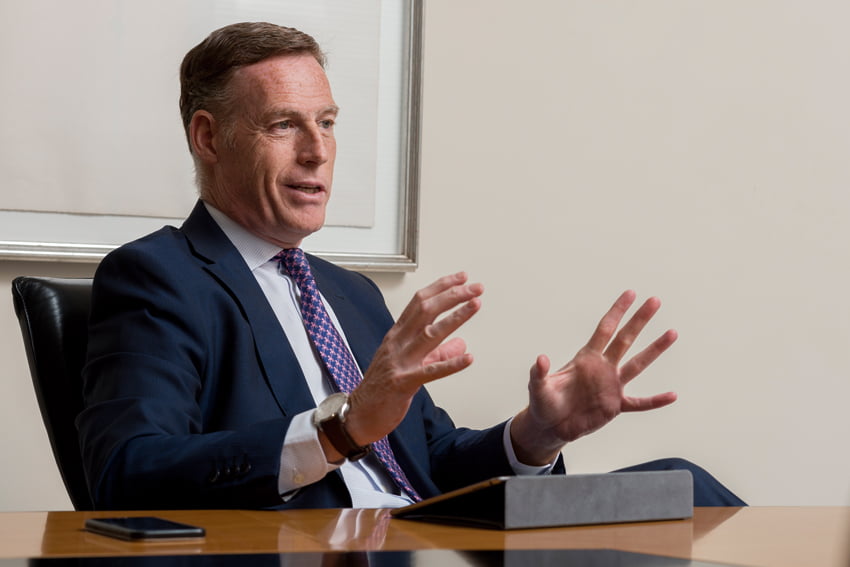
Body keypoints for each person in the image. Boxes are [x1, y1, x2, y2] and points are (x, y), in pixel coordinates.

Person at [77, 22, 745, 510]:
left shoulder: (350, 293)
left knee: (688, 490)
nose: (317, 151)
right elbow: (127, 472)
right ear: (208, 136)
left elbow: (434, 463)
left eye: (327, 123)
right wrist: (339, 428)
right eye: (284, 125)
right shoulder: (158, 276)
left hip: (430, 540)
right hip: (325, 552)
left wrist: (535, 436)